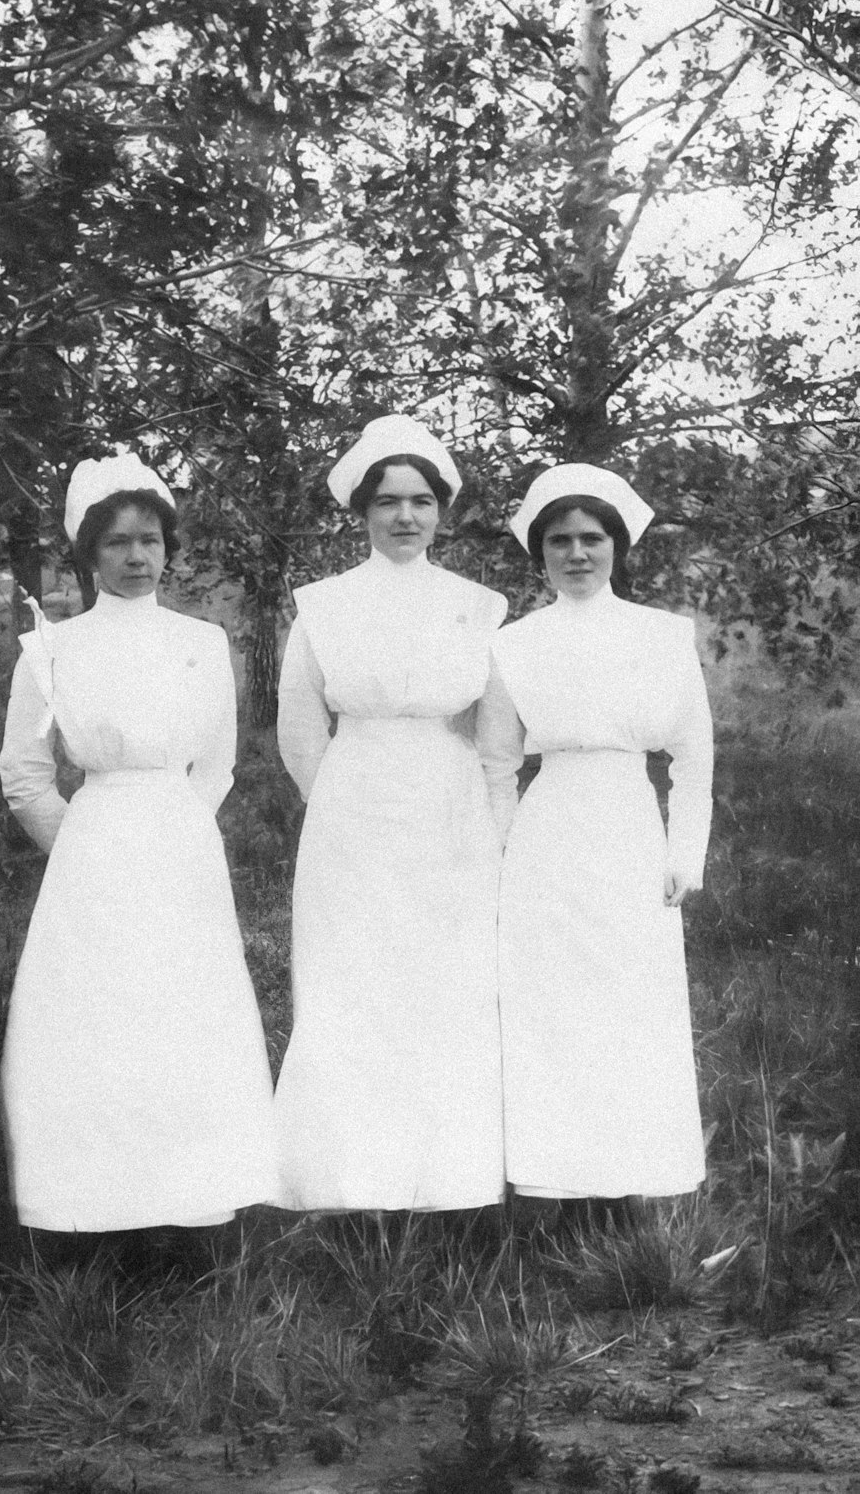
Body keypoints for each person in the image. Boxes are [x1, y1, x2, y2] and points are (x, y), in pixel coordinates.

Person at [0, 453, 277, 1233]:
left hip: (180, 848)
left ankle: (187, 1205)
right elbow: (23, 774)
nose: (135, 558)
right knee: (95, 1022)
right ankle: (93, 1210)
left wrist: (173, 834)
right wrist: (85, 844)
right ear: (88, 553)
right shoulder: (52, 649)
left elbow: (217, 763)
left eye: (149, 540)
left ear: (167, 547)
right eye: (116, 543)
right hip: (93, 852)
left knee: (181, 1016)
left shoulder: (201, 640)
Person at [274, 414, 508, 1212]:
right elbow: (301, 733)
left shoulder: (481, 607)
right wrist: (346, 805)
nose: (405, 517)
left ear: (442, 511)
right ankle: (351, 1185)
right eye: (388, 501)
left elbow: (494, 737)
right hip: (353, 813)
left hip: (452, 812)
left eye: (420, 501)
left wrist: (480, 821)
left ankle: (449, 1184)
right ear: (362, 512)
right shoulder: (324, 607)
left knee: (446, 987)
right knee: (353, 986)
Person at [479, 464, 713, 1205]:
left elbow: (693, 754)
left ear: (617, 545)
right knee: (551, 1000)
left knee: (630, 997)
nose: (577, 554)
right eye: (560, 541)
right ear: (539, 553)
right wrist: (504, 849)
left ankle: (636, 1176)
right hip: (550, 831)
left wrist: (686, 853)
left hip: (627, 825)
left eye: (592, 538)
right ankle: (556, 1178)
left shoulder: (662, 635)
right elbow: (497, 762)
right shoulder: (514, 644)